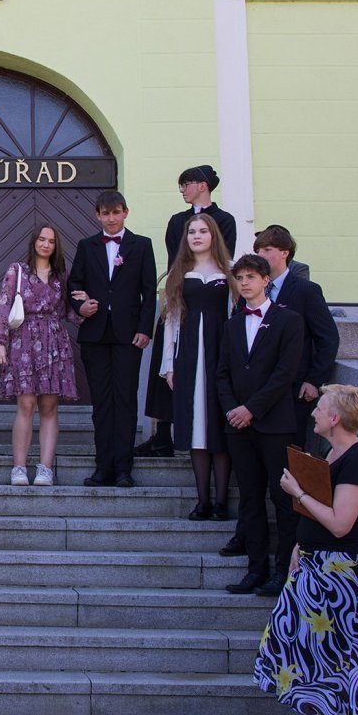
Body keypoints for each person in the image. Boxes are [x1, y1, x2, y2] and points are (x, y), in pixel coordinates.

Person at [260, 383, 358, 715]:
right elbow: (324, 514)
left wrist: (296, 492)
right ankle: (315, 707)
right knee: (299, 641)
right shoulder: (333, 453)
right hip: (318, 566)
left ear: (335, 419)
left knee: (348, 661)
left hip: (343, 575)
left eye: (320, 408)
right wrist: (301, 544)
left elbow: (341, 524)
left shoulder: (357, 462)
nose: (313, 412)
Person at [251, 224, 340, 596]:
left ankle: (285, 565)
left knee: (285, 483)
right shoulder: (253, 292)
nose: (261, 256)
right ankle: (252, 552)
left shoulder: (304, 290)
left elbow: (327, 337)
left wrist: (314, 380)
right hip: (257, 401)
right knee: (254, 482)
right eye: (258, 250)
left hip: (292, 400)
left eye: (267, 250)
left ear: (284, 252)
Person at [215, 254, 304, 595]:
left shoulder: (289, 320)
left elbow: (285, 373)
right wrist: (232, 410)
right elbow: (222, 373)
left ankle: (283, 572)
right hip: (238, 427)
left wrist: (251, 409)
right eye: (239, 278)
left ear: (266, 280)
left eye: (251, 277)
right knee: (249, 498)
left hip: (275, 424)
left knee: (282, 499)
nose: (244, 283)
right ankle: (255, 569)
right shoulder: (232, 324)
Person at [141, 165, 240, 459]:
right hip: (182, 297)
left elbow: (225, 257)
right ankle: (163, 433)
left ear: (202, 185)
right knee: (166, 362)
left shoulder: (225, 220)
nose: (183, 190)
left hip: (213, 304)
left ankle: (215, 433)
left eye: (186, 184)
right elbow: (177, 258)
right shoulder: (177, 221)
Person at [67, 191, 158, 488]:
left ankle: (123, 469)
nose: (111, 218)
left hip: (129, 335)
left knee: (125, 400)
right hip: (94, 334)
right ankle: (103, 467)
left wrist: (145, 329)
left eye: (116, 212)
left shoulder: (142, 245)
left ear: (125, 212)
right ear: (97, 216)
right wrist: (80, 306)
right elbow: (74, 283)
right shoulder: (86, 245)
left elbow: (148, 291)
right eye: (105, 214)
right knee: (102, 402)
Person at [159, 215, 236, 521]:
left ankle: (221, 502)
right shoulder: (178, 272)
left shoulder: (230, 271)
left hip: (221, 354)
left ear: (213, 235)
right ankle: (203, 500)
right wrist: (169, 364)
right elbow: (171, 321)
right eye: (191, 231)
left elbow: (236, 313)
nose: (197, 236)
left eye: (203, 231)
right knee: (196, 427)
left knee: (218, 424)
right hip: (189, 355)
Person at [0, 223, 78, 487]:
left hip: (54, 343)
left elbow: (68, 312)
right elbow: (3, 307)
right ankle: (19, 467)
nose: (46, 244)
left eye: (51, 241)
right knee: (26, 405)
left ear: (56, 245)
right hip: (24, 342)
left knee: (49, 407)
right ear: (34, 242)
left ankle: (45, 469)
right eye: (42, 239)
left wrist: (86, 309)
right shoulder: (17, 271)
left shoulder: (61, 275)